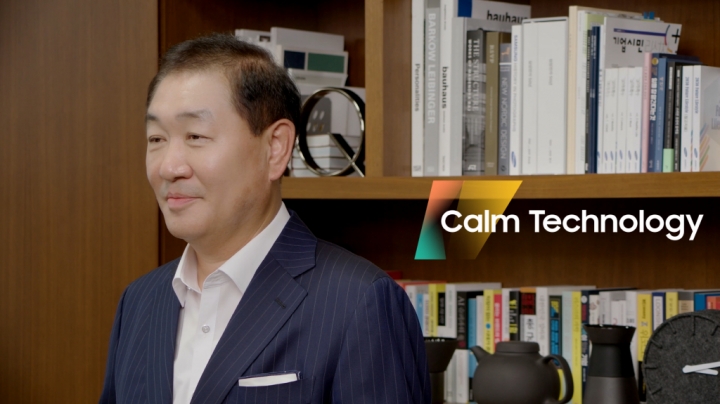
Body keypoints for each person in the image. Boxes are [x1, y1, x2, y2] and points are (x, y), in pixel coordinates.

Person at [99, 33, 430, 404]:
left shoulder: (359, 301)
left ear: (275, 148)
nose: (169, 167)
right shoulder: (139, 301)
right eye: (156, 139)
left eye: (195, 136)